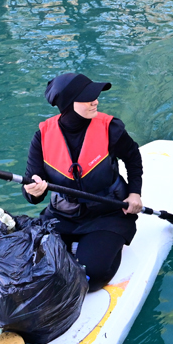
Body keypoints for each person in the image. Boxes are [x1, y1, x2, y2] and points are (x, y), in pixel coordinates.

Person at [21, 72, 144, 291]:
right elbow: (31, 194)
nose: (95, 101)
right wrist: (35, 191)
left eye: (95, 96)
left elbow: (133, 158)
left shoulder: (111, 128)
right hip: (62, 216)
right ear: (69, 103)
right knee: (29, 264)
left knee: (90, 277)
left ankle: (98, 249)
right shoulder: (42, 136)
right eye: (88, 98)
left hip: (107, 214)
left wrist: (134, 193)